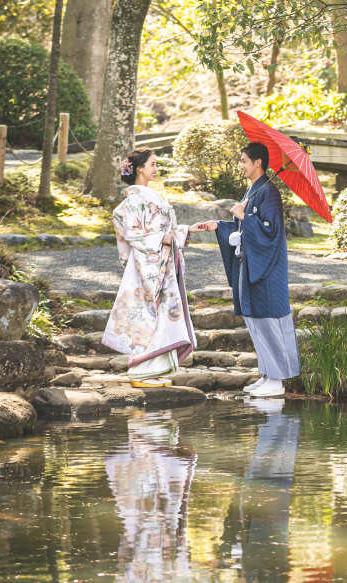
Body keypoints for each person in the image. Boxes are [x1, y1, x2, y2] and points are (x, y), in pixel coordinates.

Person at [198, 142, 300, 398]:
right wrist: (220, 226)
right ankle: (267, 374)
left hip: (267, 270)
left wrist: (245, 217)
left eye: (244, 160)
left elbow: (271, 231)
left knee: (269, 321)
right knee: (255, 320)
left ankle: (277, 379)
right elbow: (242, 228)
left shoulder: (270, 192)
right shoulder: (254, 190)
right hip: (250, 265)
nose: (241, 165)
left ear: (258, 162)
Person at [103, 149, 210, 386]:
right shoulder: (134, 200)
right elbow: (133, 233)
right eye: (152, 164)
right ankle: (141, 370)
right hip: (147, 265)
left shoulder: (148, 196)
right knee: (148, 314)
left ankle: (154, 368)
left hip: (161, 261)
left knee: (162, 315)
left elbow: (163, 230)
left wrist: (187, 230)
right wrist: (164, 238)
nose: (156, 168)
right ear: (140, 168)